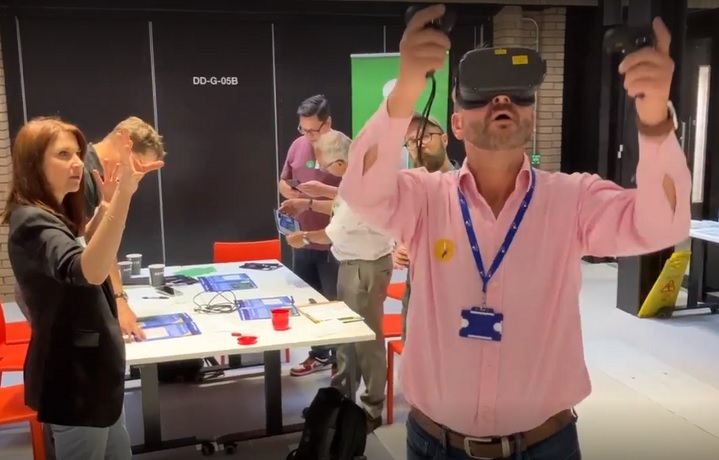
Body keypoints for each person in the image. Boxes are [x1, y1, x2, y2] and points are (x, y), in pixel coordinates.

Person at [339, 5, 689, 460]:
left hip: (545, 444)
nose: (502, 101)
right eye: (482, 96)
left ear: (530, 117)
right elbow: (362, 192)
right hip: (434, 444)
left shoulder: (573, 200)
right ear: (457, 126)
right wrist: (408, 87)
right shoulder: (425, 198)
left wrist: (655, 119)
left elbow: (664, 222)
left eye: (518, 96)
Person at [2, 118, 163, 460]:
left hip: (96, 375)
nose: (77, 162)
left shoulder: (56, 211)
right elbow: (88, 271)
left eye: (77, 153)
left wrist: (105, 206)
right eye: (63, 154)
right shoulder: (32, 221)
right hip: (74, 381)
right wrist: (122, 198)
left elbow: (84, 253)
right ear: (33, 164)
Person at [286, 130, 392, 431]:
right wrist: (309, 202)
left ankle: (371, 408)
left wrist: (303, 237)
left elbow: (333, 231)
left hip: (365, 267)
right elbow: (339, 207)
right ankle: (342, 399)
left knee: (367, 340)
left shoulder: (364, 186)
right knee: (347, 338)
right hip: (352, 264)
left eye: (325, 165)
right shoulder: (355, 181)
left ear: (342, 163)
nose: (322, 171)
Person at [279, 94, 342, 376]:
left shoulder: (343, 150)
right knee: (309, 303)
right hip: (301, 238)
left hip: (333, 244)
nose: (308, 136)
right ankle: (319, 355)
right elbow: (283, 179)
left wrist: (312, 201)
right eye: (303, 129)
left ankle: (342, 362)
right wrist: (289, 192)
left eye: (314, 130)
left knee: (335, 305)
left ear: (328, 122)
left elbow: (352, 202)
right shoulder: (298, 145)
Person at [393, 113, 460, 341]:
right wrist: (399, 249)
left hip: (457, 297)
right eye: (411, 141)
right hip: (417, 295)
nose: (418, 145)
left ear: (445, 139)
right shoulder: (408, 190)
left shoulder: (469, 187)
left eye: (425, 137)